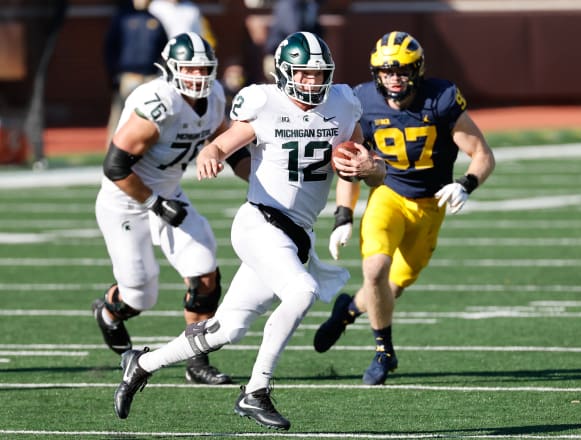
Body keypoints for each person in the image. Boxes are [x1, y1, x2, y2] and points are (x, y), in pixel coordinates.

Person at [111, 31, 385, 431]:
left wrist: (369, 172)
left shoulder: (343, 104)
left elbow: (364, 164)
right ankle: (256, 391)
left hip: (297, 234)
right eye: (305, 74)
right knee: (302, 291)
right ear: (287, 72)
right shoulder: (264, 102)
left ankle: (142, 363)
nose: (313, 82)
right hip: (260, 222)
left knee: (227, 329)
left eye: (319, 74)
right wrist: (209, 154)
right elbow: (221, 145)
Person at [314, 31, 496, 385]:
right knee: (375, 270)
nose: (394, 79)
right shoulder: (363, 101)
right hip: (389, 195)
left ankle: (348, 311)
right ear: (376, 73)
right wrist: (342, 217)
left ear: (417, 70)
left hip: (431, 206)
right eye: (386, 72)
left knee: (390, 289)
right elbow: (352, 166)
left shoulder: (440, 99)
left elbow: (483, 155)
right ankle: (384, 352)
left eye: (401, 71)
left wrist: (466, 184)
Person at [93, 32, 250, 387]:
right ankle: (108, 309)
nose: (197, 75)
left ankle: (197, 360)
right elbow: (115, 167)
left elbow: (227, 147)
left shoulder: (213, 97)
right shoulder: (157, 104)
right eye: (189, 67)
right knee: (139, 295)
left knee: (205, 275)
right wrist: (155, 204)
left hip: (167, 192)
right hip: (126, 200)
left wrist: (258, 182)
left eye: (203, 68)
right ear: (171, 68)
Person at [104, 0, 169, 147]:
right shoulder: (122, 18)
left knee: (152, 116)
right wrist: (113, 75)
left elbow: (165, 50)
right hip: (129, 76)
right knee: (120, 115)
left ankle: (148, 150)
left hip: (150, 77)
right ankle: (112, 150)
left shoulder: (155, 20)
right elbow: (110, 48)